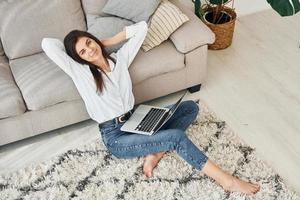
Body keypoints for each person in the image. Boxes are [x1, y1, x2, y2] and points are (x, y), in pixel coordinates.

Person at [41, 21, 260, 195]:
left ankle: (155, 152)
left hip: (136, 119)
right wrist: (74, 54)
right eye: (82, 52)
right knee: (175, 137)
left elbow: (142, 28)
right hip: (116, 137)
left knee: (189, 108)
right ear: (77, 59)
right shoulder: (81, 73)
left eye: (89, 43)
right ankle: (226, 181)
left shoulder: (119, 60)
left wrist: (106, 41)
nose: (89, 50)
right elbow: (47, 44)